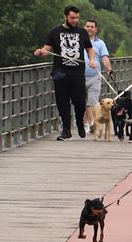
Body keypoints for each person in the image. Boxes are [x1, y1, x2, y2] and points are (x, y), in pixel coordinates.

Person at [34, 5, 96, 141]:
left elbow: (90, 49)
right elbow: (46, 49)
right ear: (65, 16)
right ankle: (66, 130)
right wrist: (41, 52)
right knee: (62, 102)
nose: (75, 20)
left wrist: (92, 60)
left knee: (79, 102)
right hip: (60, 72)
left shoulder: (82, 32)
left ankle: (80, 122)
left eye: (77, 18)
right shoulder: (55, 32)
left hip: (77, 72)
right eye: (72, 18)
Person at [83, 18, 113, 134]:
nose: (89, 28)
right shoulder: (79, 41)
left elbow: (104, 57)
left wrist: (109, 69)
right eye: (87, 26)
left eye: (91, 27)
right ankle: (85, 123)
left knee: (92, 101)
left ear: (96, 29)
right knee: (81, 102)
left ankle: (91, 123)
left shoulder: (100, 43)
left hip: (95, 76)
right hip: (79, 76)